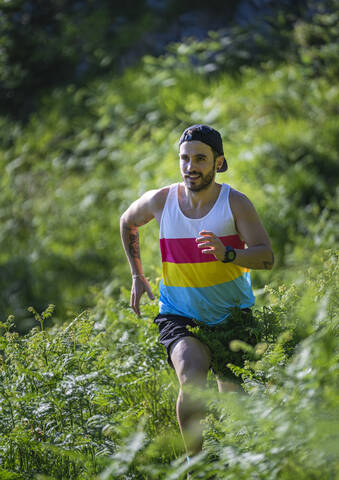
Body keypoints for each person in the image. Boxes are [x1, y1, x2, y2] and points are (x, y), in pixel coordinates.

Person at [120, 124, 274, 459]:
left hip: (232, 317)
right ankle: (195, 468)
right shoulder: (162, 201)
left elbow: (266, 256)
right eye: (185, 158)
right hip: (180, 316)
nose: (191, 166)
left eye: (200, 159)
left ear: (218, 162)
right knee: (191, 384)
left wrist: (229, 254)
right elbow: (127, 221)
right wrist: (137, 275)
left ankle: (234, 460)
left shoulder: (235, 203)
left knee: (234, 405)